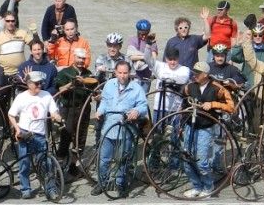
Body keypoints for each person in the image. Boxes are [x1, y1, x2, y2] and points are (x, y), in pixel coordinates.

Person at [91, 62, 148, 197]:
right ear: (116, 72)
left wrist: (136, 111)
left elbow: (143, 106)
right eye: (120, 73)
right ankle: (102, 183)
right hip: (109, 127)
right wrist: (100, 111)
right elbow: (104, 101)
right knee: (104, 158)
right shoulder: (109, 85)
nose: (122, 76)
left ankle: (120, 183)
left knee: (123, 158)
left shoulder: (136, 88)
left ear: (130, 73)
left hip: (126, 127)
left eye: (125, 73)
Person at [180, 62, 235, 198]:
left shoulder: (217, 88)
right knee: (186, 158)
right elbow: (183, 106)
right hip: (189, 126)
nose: (195, 75)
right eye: (194, 73)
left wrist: (212, 104)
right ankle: (197, 186)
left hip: (206, 127)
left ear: (206, 74)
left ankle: (208, 186)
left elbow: (231, 106)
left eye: (198, 73)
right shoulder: (189, 87)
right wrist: (181, 125)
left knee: (202, 160)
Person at [8, 71, 63, 199]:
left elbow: (54, 111)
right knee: (24, 163)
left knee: (46, 163)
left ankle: (50, 189)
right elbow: (11, 114)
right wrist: (17, 129)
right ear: (29, 84)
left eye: (40, 83)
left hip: (40, 134)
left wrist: (56, 116)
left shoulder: (46, 95)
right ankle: (25, 189)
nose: (39, 85)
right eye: (36, 83)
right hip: (25, 133)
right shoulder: (22, 97)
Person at [53, 48, 93, 174]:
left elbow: (94, 89)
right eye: (79, 58)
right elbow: (59, 89)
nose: (81, 61)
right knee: (66, 136)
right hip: (68, 109)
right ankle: (58, 167)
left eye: (83, 58)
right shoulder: (65, 72)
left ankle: (73, 165)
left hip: (83, 109)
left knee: (80, 138)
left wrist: (85, 84)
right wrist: (72, 83)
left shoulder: (88, 74)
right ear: (74, 57)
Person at [150, 49, 190, 121]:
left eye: (175, 59)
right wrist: (148, 46)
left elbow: (183, 79)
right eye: (170, 59)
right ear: (166, 59)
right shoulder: (160, 66)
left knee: (173, 131)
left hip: (175, 109)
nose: (172, 62)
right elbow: (147, 59)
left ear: (178, 58)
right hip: (159, 107)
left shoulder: (184, 69)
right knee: (156, 131)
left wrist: (168, 80)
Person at [230, 24, 264, 88]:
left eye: (260, 35)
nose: (257, 37)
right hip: (248, 80)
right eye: (255, 35)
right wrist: (238, 45)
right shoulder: (248, 46)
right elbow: (236, 59)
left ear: (263, 35)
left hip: (263, 82)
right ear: (252, 36)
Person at [0, 12, 34, 76]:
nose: (10, 23)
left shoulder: (23, 33)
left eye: (12, 21)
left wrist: (34, 32)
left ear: (15, 21)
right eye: (8, 21)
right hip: (5, 73)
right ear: (4, 21)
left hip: (21, 72)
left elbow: (35, 45)